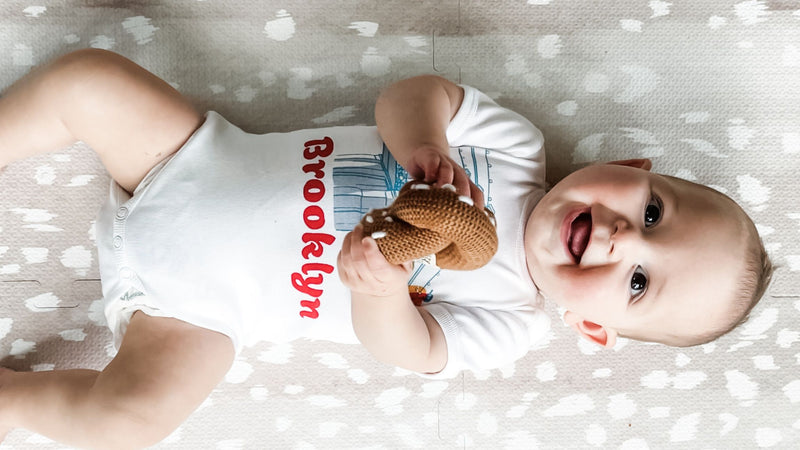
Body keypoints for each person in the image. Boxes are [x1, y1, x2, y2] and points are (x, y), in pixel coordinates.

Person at [0, 49, 771, 448]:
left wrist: (378, 289)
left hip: (195, 314)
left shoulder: (508, 321)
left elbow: (410, 352)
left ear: (591, 329)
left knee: (134, 419)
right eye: (654, 211)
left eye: (637, 282)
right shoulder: (514, 148)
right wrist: (425, 145)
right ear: (632, 170)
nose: (622, 236)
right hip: (185, 163)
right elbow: (412, 92)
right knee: (89, 80)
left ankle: (9, 400)